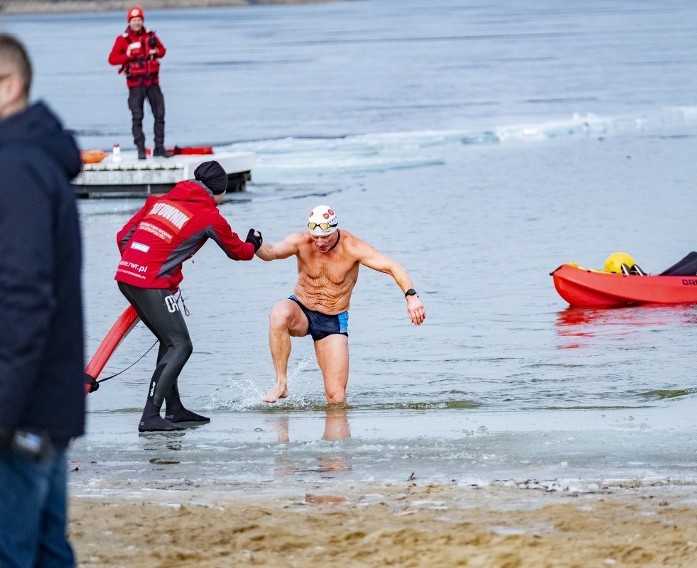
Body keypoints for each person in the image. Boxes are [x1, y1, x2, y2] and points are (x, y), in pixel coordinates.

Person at [0, 33, 86, 567]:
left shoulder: (15, 168)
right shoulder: (37, 158)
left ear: (9, 85)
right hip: (44, 401)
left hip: (22, 408)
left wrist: (4, 409)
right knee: (47, 551)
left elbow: (24, 298)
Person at [115, 161, 263, 431]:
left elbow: (123, 237)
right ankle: (150, 416)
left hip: (126, 277)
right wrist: (255, 240)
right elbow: (239, 252)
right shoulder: (209, 216)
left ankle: (174, 409)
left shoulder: (157, 202)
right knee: (181, 345)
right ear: (220, 192)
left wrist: (138, 265)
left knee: (169, 340)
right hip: (151, 284)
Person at [257, 205, 426, 404]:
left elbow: (392, 267)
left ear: (335, 229)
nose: (320, 242)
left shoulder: (352, 247)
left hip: (332, 320)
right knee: (279, 313)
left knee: (336, 399)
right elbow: (272, 252)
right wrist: (255, 243)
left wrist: (411, 297)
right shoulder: (301, 241)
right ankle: (281, 384)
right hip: (301, 310)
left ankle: (336, 434)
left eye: (325, 236)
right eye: (316, 236)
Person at [108, 6, 172, 160]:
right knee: (137, 116)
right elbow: (112, 59)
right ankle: (140, 149)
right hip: (135, 85)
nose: (136, 23)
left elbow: (163, 51)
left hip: (152, 82)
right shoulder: (122, 40)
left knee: (160, 114)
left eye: (139, 20)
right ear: (129, 22)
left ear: (142, 20)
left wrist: (155, 51)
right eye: (134, 20)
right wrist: (128, 55)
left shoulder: (151, 36)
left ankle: (159, 147)